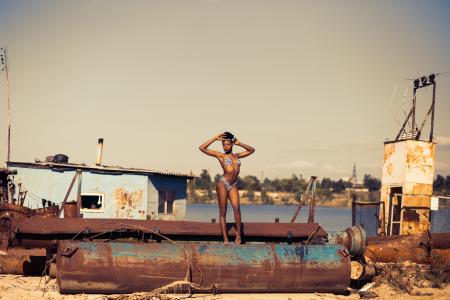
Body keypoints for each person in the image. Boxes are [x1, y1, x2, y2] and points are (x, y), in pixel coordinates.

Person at [199, 132, 255, 244]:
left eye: (228, 144)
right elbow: (202, 148)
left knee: (237, 209)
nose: (225, 146)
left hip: (233, 185)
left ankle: (238, 236)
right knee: (223, 212)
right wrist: (215, 138)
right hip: (223, 184)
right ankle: (225, 239)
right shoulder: (221, 156)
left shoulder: (237, 156)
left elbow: (251, 150)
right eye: (224, 145)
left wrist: (239, 143)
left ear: (232, 144)